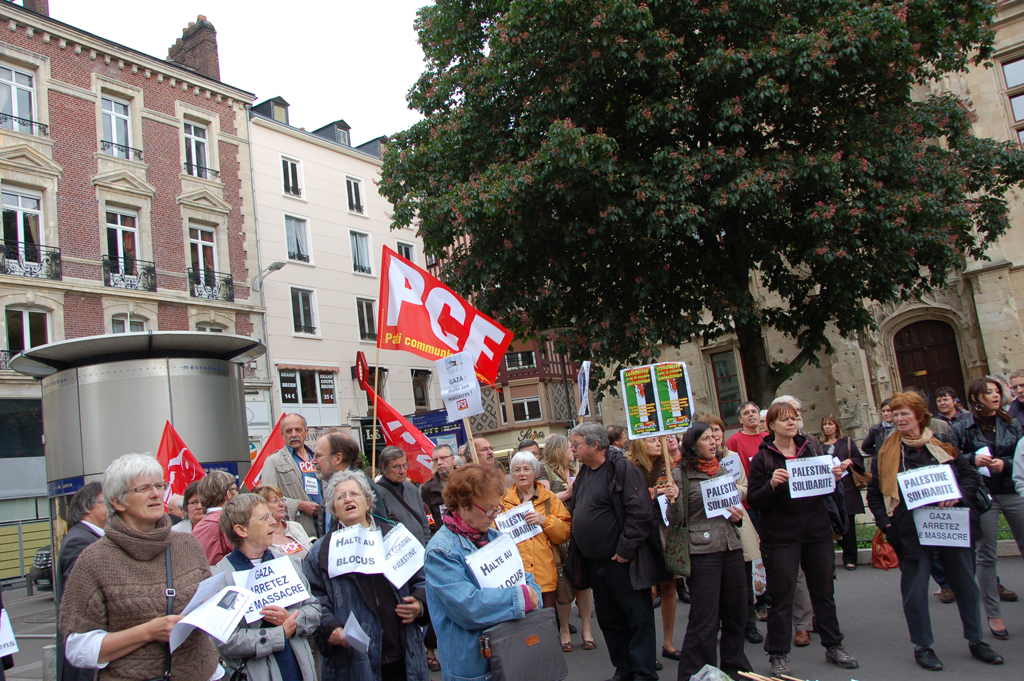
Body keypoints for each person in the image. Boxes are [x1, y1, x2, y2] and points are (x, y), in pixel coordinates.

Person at [867, 391, 1003, 669]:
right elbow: (874, 493)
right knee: (915, 591)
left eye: (905, 413)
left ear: (919, 416)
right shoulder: (886, 452)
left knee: (966, 585)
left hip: (950, 526)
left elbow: (969, 477)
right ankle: (923, 646)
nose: (899, 418)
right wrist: (887, 525)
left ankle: (976, 640)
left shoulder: (941, 445)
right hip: (911, 531)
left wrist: (957, 496)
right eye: (895, 413)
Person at [58, 453, 220, 681]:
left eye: (159, 485)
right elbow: (78, 649)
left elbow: (210, 604)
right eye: (143, 488)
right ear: (117, 501)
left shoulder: (188, 545)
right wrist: (147, 632)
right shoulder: (94, 560)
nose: (156, 493)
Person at [747, 401, 858, 676]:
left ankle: (834, 646)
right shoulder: (764, 458)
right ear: (771, 425)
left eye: (794, 418)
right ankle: (778, 654)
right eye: (784, 419)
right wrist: (772, 484)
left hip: (816, 532)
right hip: (780, 537)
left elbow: (825, 490)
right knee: (781, 597)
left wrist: (834, 476)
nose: (791, 423)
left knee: (824, 594)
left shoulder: (812, 449)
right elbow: (754, 499)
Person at [304, 470, 430, 681]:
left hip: (404, 655)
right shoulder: (321, 551)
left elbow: (423, 577)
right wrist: (330, 628)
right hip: (353, 662)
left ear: (368, 500)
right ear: (333, 508)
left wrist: (420, 602)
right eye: (340, 496)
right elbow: (314, 598)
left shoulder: (394, 535)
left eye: (354, 493)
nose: (348, 499)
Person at [568, 422, 669, 681]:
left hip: (622, 563)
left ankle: (644, 673)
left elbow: (640, 513)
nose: (573, 449)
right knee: (611, 622)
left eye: (576, 444)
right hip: (596, 563)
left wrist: (624, 550)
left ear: (595, 445)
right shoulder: (584, 472)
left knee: (638, 620)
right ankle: (624, 668)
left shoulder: (621, 468)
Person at [424, 464, 541, 681]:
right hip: (474, 665)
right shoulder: (440, 551)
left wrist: (531, 595)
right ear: (462, 504)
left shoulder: (496, 537)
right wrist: (521, 598)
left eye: (497, 508)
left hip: (511, 652)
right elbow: (468, 607)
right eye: (488, 509)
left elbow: (528, 582)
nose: (493, 516)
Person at [664, 422, 752, 679]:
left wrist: (738, 518)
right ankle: (696, 672)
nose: (713, 442)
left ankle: (736, 668)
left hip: (731, 546)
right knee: (705, 619)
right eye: (706, 438)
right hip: (702, 552)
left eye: (714, 437)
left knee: (736, 614)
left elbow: (731, 510)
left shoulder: (722, 470)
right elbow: (676, 519)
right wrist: (673, 498)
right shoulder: (680, 473)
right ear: (692, 444)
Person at [211, 494, 321, 681]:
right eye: (264, 518)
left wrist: (294, 620)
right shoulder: (221, 577)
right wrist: (278, 635)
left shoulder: (287, 562)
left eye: (271, 515)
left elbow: (314, 609)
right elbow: (226, 640)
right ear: (241, 529)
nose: (273, 522)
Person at [949, 377, 1024, 639]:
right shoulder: (962, 427)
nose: (995, 395)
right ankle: (994, 613)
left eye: (997, 391)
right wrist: (972, 458)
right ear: (975, 398)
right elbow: (951, 456)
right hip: (984, 495)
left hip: (1013, 490)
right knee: (986, 554)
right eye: (988, 392)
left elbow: (1022, 455)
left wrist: (1005, 464)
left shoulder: (1012, 422)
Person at [696, 413, 763, 645]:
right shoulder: (693, 465)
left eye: (717, 430)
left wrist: (730, 491)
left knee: (743, 581)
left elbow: (745, 487)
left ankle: (749, 624)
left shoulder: (732, 458)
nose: (714, 436)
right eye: (709, 432)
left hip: (735, 521)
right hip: (710, 528)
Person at [501, 451, 572, 647]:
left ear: (535, 471)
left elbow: (565, 532)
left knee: (546, 627)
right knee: (522, 632)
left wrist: (545, 521)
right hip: (515, 577)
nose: (522, 474)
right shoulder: (502, 502)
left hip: (544, 574)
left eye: (526, 469)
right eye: (517, 470)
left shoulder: (549, 499)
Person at [624, 437, 680, 661]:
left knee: (669, 587)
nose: (658, 443)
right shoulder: (630, 468)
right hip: (643, 532)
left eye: (660, 439)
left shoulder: (670, 465)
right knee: (648, 590)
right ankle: (648, 648)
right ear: (639, 443)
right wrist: (657, 493)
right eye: (652, 440)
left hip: (666, 530)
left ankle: (668, 643)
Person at [537, 434, 595, 650]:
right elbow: (542, 500)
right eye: (570, 447)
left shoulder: (579, 468)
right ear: (559, 450)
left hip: (580, 530)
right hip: (559, 532)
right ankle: (563, 629)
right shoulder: (544, 471)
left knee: (584, 582)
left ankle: (587, 629)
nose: (573, 450)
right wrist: (568, 492)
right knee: (563, 581)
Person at [56, 482, 107, 681]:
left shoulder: (89, 537)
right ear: (88, 507)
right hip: (85, 658)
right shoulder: (81, 541)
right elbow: (81, 600)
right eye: (106, 502)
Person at [312, 432, 389, 533]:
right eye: (341, 497)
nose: (313, 461)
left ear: (338, 458)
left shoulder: (363, 486)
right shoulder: (331, 486)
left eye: (318, 456)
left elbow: (379, 531)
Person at [259, 414, 321, 538]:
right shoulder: (273, 461)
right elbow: (266, 499)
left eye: (298, 430)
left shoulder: (318, 458)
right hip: (297, 531)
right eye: (288, 431)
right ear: (282, 435)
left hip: (325, 525)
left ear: (306, 432)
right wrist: (300, 505)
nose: (293, 435)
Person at [819, 414, 867, 570]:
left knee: (849, 523)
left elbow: (859, 460)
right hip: (829, 488)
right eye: (825, 424)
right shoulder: (820, 445)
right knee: (832, 522)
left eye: (831, 424)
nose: (828, 427)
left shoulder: (847, 443)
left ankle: (851, 557)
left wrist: (850, 461)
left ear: (836, 426)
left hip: (847, 487)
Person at [375, 446, 431, 546]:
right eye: (396, 467)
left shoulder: (412, 489)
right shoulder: (378, 494)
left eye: (404, 465)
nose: (402, 471)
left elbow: (424, 522)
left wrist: (426, 544)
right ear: (384, 468)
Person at [253, 485, 312, 560]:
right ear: (263, 507)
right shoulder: (261, 536)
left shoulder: (295, 526)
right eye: (275, 501)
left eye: (281, 500)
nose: (281, 504)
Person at [192, 470, 238, 565]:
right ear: (228, 495)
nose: (238, 494)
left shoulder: (198, 526)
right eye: (235, 489)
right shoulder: (229, 521)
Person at [421, 444, 456, 536]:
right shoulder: (428, 489)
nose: (439, 463)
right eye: (435, 460)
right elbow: (428, 519)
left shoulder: (467, 480)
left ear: (453, 459)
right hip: (445, 538)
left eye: (443, 458)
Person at [726, 401, 765, 476]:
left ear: (759, 416)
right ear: (740, 420)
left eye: (754, 411)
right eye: (746, 413)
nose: (751, 414)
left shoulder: (767, 437)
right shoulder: (733, 440)